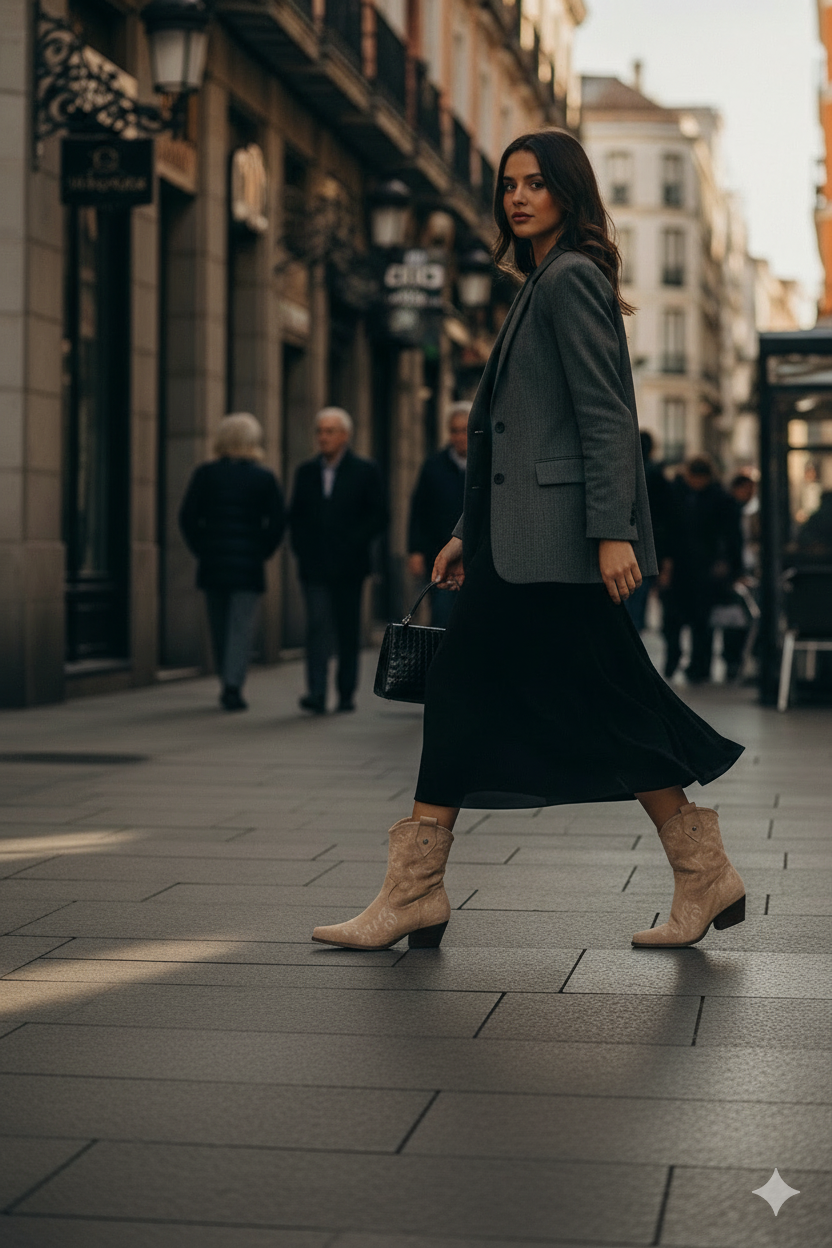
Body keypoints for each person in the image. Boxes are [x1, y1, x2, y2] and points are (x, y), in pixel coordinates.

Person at [311, 129, 745, 956]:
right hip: (520, 546)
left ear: (568, 194)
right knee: (589, 699)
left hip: (556, 548)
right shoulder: (539, 281)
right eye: (509, 183)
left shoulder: (570, 278)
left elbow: (606, 413)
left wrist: (612, 530)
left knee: (519, 694)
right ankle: (699, 872)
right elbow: (512, 438)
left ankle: (417, 893)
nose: (517, 197)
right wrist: (465, 533)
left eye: (536, 184)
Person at [179, 412, 286, 711]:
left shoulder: (205, 474)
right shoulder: (264, 478)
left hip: (213, 563)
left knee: (218, 625)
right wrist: (260, 551)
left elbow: (188, 517)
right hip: (248, 565)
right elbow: (277, 522)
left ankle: (226, 677)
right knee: (240, 626)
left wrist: (203, 548)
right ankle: (233, 685)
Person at [289, 407, 388, 714]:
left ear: (345, 436)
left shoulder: (365, 470)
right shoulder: (305, 472)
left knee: (347, 630)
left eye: (330, 431)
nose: (323, 437)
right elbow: (296, 517)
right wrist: (303, 550)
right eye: (320, 431)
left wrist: (352, 541)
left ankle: (346, 693)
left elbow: (379, 515)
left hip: (350, 565)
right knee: (317, 626)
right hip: (315, 565)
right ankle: (316, 693)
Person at [660, 455, 743, 684]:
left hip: (702, 568)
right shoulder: (678, 494)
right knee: (678, 619)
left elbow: (731, 536)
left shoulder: (712, 498)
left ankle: (698, 665)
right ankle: (679, 659)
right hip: (683, 566)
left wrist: (730, 566)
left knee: (699, 620)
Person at [407, 402, 471, 627]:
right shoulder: (434, 465)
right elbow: (418, 509)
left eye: (465, 430)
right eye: (454, 430)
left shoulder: (486, 465)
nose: (460, 436)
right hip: (439, 555)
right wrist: (415, 550)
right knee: (441, 619)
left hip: (474, 558)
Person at [625, 429, 676, 632]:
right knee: (640, 594)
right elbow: (667, 516)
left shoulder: (628, 470)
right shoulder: (657, 475)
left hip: (628, 541)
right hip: (651, 545)